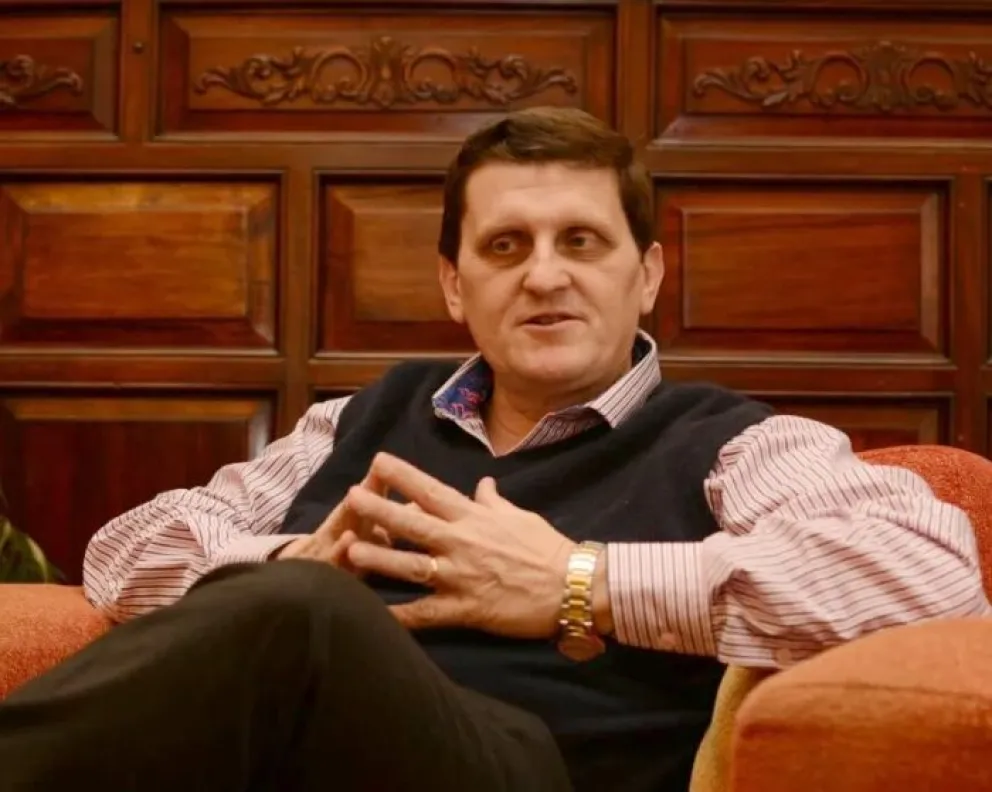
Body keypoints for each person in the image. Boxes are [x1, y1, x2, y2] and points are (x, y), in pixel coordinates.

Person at [0, 107, 988, 792]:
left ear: (646, 275)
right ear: (453, 285)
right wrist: (296, 558)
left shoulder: (737, 443)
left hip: (536, 769)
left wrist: (576, 581)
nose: (544, 276)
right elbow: (126, 551)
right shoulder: (356, 422)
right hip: (291, 758)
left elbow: (931, 574)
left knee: (298, 613)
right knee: (293, 603)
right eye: (505, 246)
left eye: (581, 242)